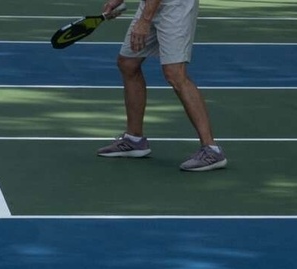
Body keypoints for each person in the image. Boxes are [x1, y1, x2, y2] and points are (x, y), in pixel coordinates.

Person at [96, 0, 227, 172]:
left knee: (175, 74)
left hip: (176, 6)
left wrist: (144, 21)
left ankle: (211, 150)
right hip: (151, 4)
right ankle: (134, 140)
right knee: (128, 63)